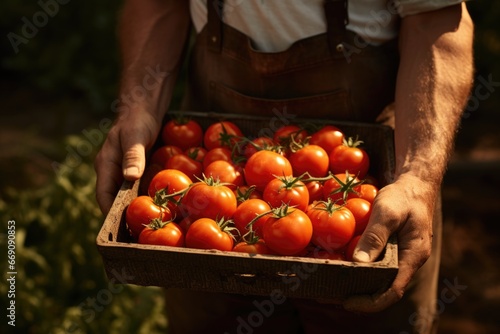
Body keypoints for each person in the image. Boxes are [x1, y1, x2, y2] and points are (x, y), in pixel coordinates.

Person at [95, 1, 474, 333]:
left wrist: (418, 176)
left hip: (379, 163)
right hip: (215, 154)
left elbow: (436, 19)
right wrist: (138, 108)